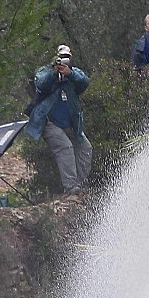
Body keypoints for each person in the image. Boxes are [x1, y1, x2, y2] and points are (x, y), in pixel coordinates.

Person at [23, 44, 93, 194]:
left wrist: (70, 73)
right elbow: (40, 83)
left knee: (85, 148)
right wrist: (54, 72)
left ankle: (80, 185)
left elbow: (85, 82)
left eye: (67, 58)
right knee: (65, 147)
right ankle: (70, 187)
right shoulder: (45, 71)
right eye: (61, 58)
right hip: (49, 122)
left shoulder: (74, 73)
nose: (64, 61)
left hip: (71, 124)